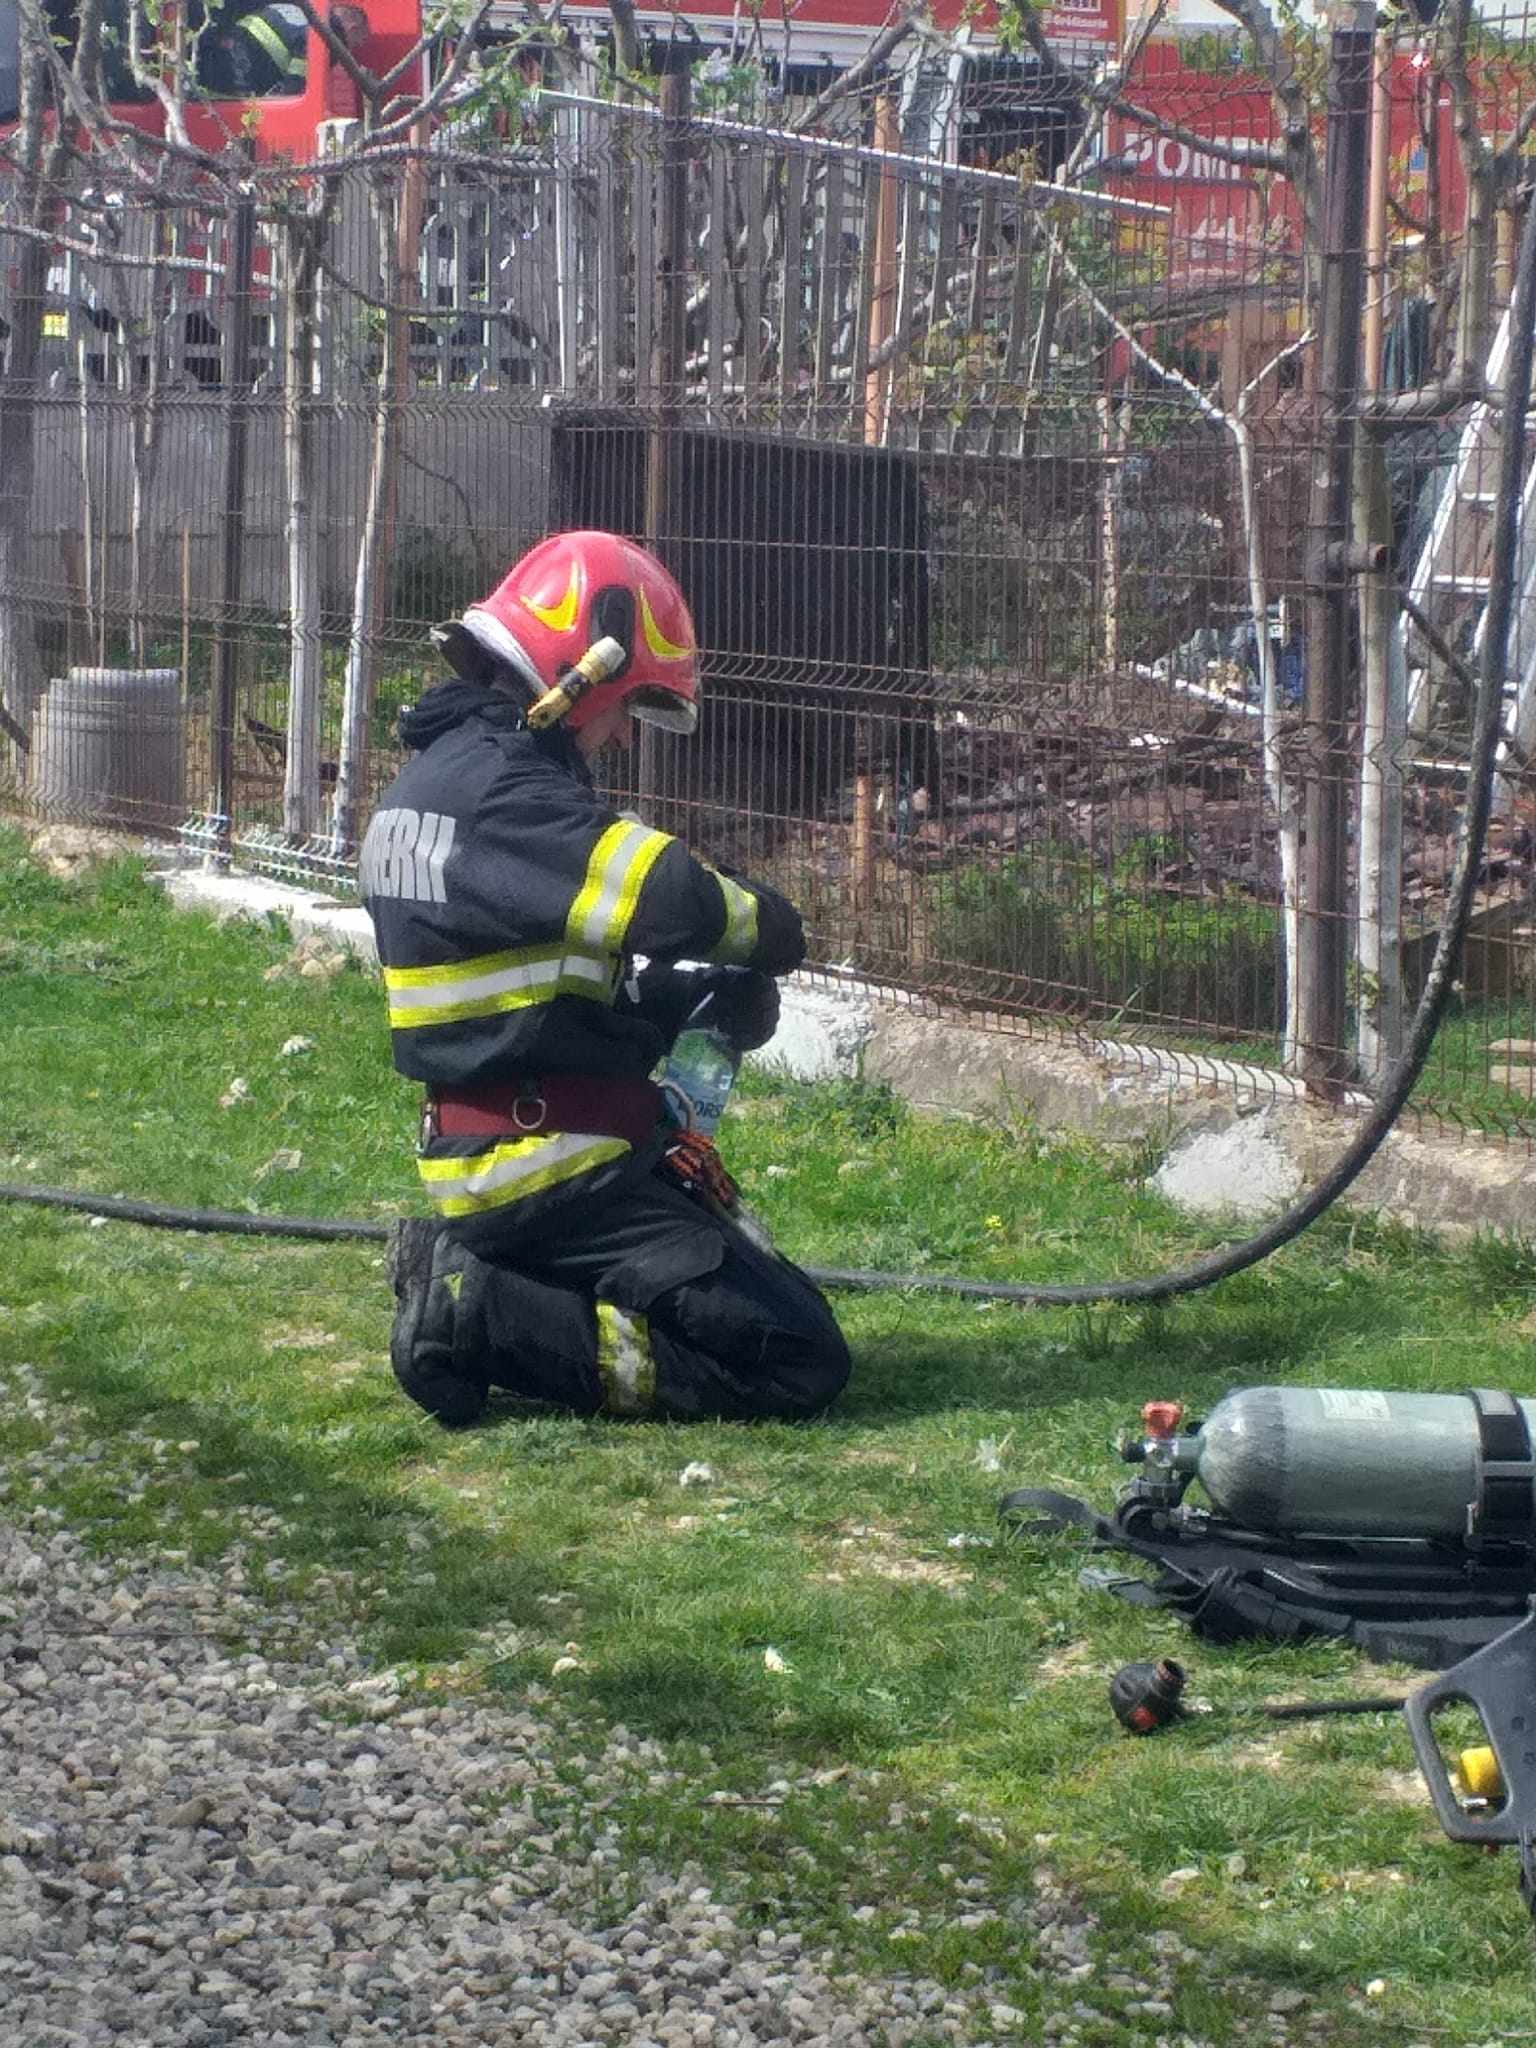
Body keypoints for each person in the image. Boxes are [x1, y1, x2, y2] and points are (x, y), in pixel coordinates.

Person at [360, 529, 851, 1429]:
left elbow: (523, 1004)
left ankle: (476, 1280)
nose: (623, 736)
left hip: (513, 1151)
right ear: (583, 666)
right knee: (795, 1357)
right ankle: (479, 1313)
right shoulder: (504, 795)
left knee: (760, 1290)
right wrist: (767, 926)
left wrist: (687, 1004)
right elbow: (665, 896)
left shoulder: (436, 784)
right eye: (626, 707)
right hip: (552, 1170)